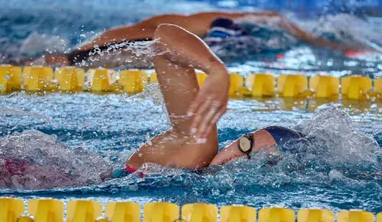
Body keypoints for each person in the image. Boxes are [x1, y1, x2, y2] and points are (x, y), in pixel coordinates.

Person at [119, 23, 304, 174]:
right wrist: (216, 70)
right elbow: (163, 36)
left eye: (246, 149)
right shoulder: (196, 151)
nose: (234, 155)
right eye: (244, 141)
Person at [33, 11, 367, 68]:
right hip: (98, 52)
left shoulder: (273, 23)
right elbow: (145, 29)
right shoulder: (197, 23)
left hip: (104, 50)